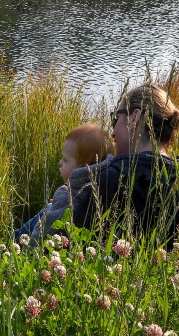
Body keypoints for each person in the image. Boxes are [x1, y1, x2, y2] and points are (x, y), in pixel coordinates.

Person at [72, 83, 179, 244]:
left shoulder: (111, 179)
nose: (112, 132)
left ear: (134, 118)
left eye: (116, 118)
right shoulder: (175, 181)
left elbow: (71, 242)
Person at [14, 123, 115, 245]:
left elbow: (42, 233)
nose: (60, 163)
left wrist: (29, 249)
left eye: (65, 160)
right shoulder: (107, 187)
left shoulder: (66, 196)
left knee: (47, 211)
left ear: (83, 168)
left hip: (52, 249)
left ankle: (11, 241)